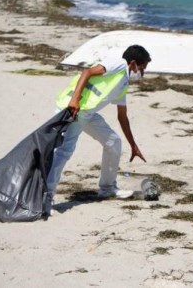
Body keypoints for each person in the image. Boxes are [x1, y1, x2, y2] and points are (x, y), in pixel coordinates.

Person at [44, 45, 151, 216]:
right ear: (133, 63)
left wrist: (133, 145)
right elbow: (87, 72)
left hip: (87, 112)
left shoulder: (122, 81)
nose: (142, 73)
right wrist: (75, 100)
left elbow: (122, 117)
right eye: (142, 67)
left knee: (113, 141)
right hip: (74, 108)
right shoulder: (118, 64)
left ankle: (107, 188)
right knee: (64, 151)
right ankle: (46, 198)